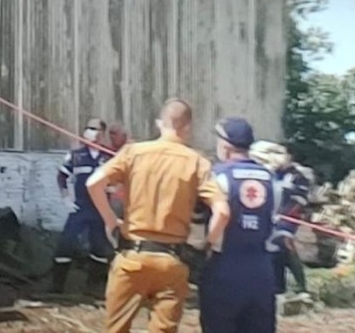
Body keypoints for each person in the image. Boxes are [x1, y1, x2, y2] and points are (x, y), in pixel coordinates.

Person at [86, 98, 230, 333]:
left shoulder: (133, 152)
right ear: (187, 128)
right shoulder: (197, 162)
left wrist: (111, 221)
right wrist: (207, 245)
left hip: (132, 255)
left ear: (159, 124)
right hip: (172, 261)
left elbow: (94, 183)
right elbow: (222, 212)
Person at [199, 118, 276, 333]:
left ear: (225, 145)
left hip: (224, 267)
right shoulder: (272, 179)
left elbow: (215, 215)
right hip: (262, 269)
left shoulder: (217, 176)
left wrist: (206, 245)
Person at [51, 118, 114, 296]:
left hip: (100, 209)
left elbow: (121, 178)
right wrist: (66, 198)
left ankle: (93, 288)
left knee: (99, 248)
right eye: (87, 128)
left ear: (102, 133)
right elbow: (62, 176)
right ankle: (57, 287)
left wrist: (113, 188)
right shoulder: (76, 155)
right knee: (65, 244)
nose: (89, 132)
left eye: (94, 129)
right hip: (80, 207)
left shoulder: (109, 156)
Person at [250, 140, 311, 297]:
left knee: (284, 241)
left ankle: (301, 285)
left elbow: (300, 201)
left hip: (290, 216)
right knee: (273, 247)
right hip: (270, 216)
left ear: (289, 156)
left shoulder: (299, 175)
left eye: (280, 153)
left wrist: (283, 216)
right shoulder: (269, 173)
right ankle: (278, 286)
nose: (276, 157)